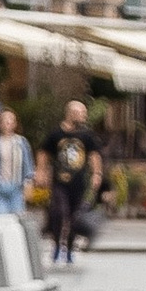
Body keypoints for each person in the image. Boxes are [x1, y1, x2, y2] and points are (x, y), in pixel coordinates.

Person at [45, 100, 98, 267]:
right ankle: (56, 244)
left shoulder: (86, 135)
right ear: (71, 113)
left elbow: (94, 155)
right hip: (59, 182)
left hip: (79, 182)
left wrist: (97, 173)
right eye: (81, 112)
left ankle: (68, 249)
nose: (83, 116)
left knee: (75, 218)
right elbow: (44, 152)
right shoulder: (56, 134)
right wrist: (41, 171)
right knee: (60, 212)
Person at [0, 108, 31, 223]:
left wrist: (28, 182)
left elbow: (27, 164)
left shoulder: (21, 142)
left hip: (16, 186)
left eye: (11, 120)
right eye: (4, 120)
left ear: (15, 123)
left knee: (16, 220)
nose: (7, 123)